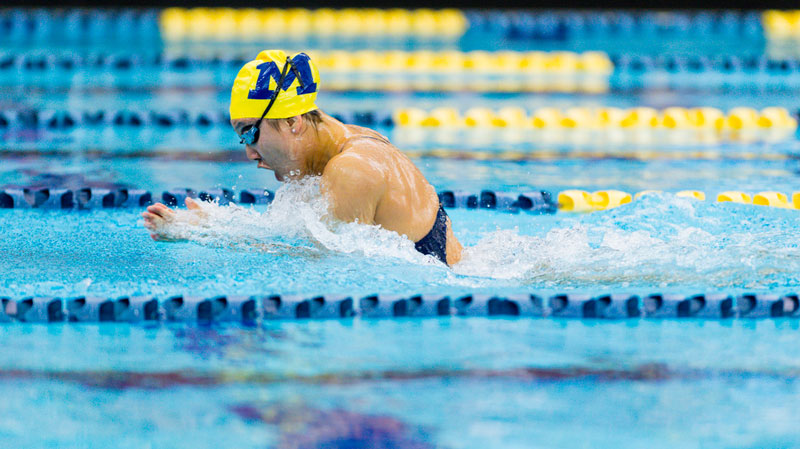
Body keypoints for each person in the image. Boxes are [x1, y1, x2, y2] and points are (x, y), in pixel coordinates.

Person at [143, 50, 462, 266]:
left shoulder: (351, 170)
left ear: (293, 122)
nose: (249, 153)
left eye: (250, 134)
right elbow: (309, 238)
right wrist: (217, 222)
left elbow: (327, 269)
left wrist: (204, 238)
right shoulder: (352, 143)